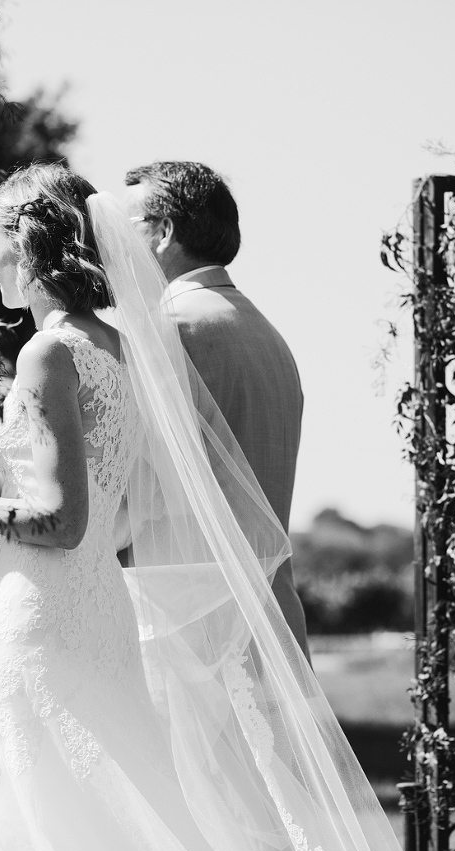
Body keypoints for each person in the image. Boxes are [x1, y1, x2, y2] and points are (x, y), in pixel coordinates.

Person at [0, 164, 404, 851]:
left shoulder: (100, 343)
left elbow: (77, 516)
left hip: (111, 610)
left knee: (33, 780)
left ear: (28, 246)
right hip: (148, 605)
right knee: (122, 801)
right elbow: (115, 500)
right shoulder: (138, 345)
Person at [122, 160, 309, 658]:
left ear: (163, 232)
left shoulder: (169, 329)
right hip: (272, 615)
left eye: (127, 227)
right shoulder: (270, 337)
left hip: (187, 625)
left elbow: (142, 485)